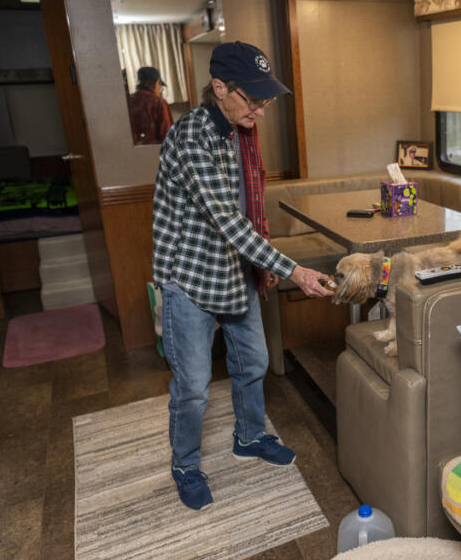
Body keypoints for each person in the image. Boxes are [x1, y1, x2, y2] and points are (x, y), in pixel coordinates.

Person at [152, 41, 332, 511]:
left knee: (253, 363)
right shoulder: (191, 137)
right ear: (218, 88)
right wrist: (292, 268)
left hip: (232, 273)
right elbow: (228, 222)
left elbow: (248, 212)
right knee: (192, 388)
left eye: (264, 100)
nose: (261, 111)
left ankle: (250, 436)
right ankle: (185, 465)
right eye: (252, 100)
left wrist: (263, 265)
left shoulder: (239, 132)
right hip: (189, 279)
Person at [128, 66, 173, 145]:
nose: (160, 90)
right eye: (161, 86)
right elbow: (167, 136)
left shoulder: (129, 100)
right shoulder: (158, 102)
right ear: (157, 82)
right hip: (154, 152)